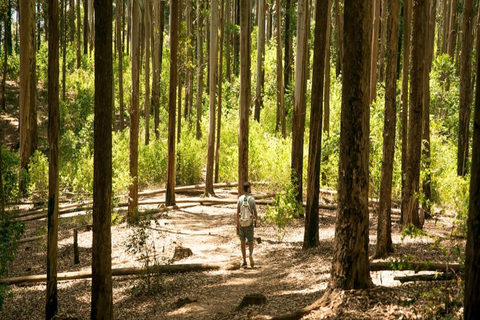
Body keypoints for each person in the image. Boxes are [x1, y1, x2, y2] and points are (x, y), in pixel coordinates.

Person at [236, 181, 258, 268]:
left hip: (241, 223)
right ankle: (251, 254)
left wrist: (237, 225)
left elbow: (238, 213)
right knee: (251, 241)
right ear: (248, 188)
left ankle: (244, 261)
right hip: (249, 223)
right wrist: (256, 220)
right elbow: (255, 213)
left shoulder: (240, 199)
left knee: (242, 241)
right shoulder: (252, 199)